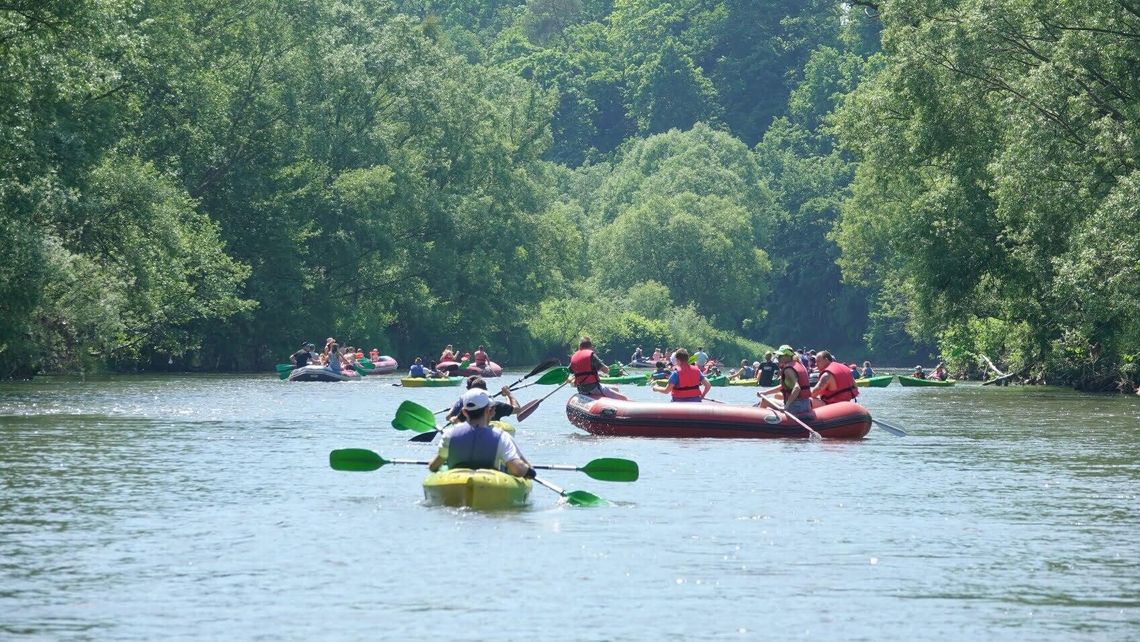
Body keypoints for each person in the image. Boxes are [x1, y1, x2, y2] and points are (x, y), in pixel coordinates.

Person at [428, 389, 535, 479]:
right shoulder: (501, 437)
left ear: (464, 412)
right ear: (491, 411)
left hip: (456, 482)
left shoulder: (449, 434)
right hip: (489, 483)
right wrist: (530, 472)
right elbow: (518, 469)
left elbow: (433, 466)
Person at [758, 345, 812, 415]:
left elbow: (797, 388)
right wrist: (765, 393)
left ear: (787, 356)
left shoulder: (788, 370)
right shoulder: (799, 364)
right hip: (805, 405)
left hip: (796, 407)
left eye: (780, 356)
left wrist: (786, 406)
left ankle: (760, 422)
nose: (778, 358)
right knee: (770, 400)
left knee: (764, 401)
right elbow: (783, 387)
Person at [445, 376, 520, 423]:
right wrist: (508, 394)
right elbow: (517, 409)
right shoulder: (495, 405)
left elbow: (448, 418)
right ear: (486, 390)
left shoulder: (465, 406)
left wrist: (453, 406)